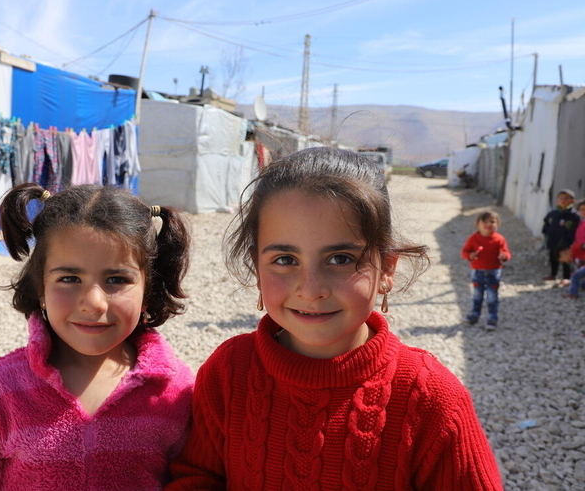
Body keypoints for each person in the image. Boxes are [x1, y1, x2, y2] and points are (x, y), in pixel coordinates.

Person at [166, 147, 503, 490]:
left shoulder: (431, 398)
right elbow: (197, 476)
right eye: (284, 260)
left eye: (340, 258)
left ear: (387, 267)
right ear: (257, 266)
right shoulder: (229, 372)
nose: (311, 290)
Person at [0, 183, 194, 490]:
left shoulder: (177, 392)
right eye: (69, 279)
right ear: (40, 287)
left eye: (116, 279)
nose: (93, 303)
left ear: (148, 290)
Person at [461, 211, 512, 330]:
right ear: (477, 224)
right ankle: (474, 315)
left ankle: (492, 318)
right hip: (477, 271)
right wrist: (470, 255)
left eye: (492, 221)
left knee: (492, 297)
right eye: (485, 221)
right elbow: (464, 252)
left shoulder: (499, 239)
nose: (488, 224)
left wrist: (504, 256)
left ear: (497, 224)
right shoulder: (473, 239)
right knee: (477, 295)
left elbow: (507, 253)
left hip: (494, 272)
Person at [541, 189, 580, 283]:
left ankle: (567, 277)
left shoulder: (573, 215)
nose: (563, 200)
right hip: (553, 240)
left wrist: (571, 240)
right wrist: (546, 231)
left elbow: (576, 229)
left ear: (572, 201)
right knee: (553, 258)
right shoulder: (553, 213)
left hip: (566, 242)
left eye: (566, 198)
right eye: (561, 198)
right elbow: (546, 223)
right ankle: (553, 274)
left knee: (566, 261)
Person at [564, 200, 585, 298]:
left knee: (576, 275)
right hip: (579, 253)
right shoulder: (580, 223)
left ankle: (573, 293)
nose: (583, 212)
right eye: (581, 210)